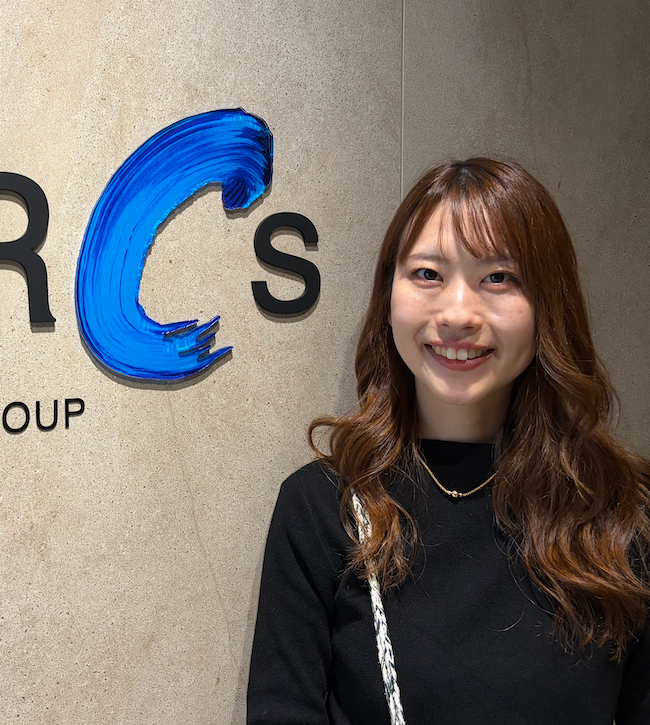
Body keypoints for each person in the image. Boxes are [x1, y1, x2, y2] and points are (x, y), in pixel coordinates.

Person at [246, 158, 650, 724]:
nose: (458, 314)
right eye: (428, 274)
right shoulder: (323, 506)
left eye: (499, 277)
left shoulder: (624, 509)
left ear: (548, 304)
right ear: (388, 296)